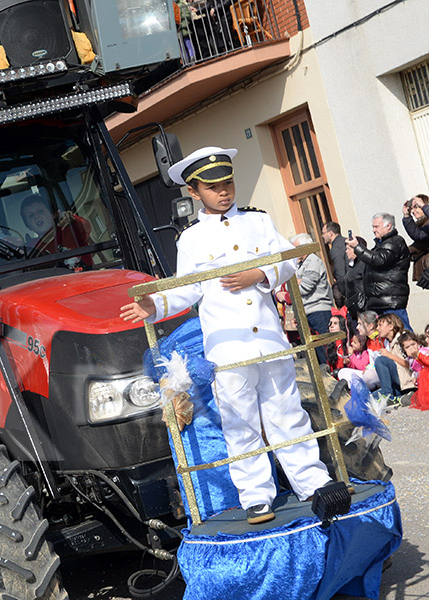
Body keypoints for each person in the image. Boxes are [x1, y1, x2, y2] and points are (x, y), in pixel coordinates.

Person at [120, 146, 334, 525]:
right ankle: (256, 498)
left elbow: (289, 255)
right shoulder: (191, 239)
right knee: (241, 422)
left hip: (269, 339)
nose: (224, 191)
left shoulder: (259, 222)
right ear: (193, 191)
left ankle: (313, 482)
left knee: (287, 412)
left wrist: (261, 274)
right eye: (213, 186)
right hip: (228, 348)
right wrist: (156, 305)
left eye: (228, 182)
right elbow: (187, 288)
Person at [346, 213, 412, 330]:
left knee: (402, 332)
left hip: (391, 300)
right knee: (385, 336)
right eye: (373, 227)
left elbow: (378, 260)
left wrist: (357, 247)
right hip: (379, 301)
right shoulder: (379, 245)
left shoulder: (395, 242)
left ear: (388, 226)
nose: (373, 230)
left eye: (376, 227)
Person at [279, 233, 333, 364]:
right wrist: (295, 282)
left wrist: (287, 294)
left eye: (295, 247)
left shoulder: (313, 261)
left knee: (325, 349)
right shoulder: (300, 264)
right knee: (315, 351)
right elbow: (289, 283)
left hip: (318, 310)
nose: (293, 252)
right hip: (307, 311)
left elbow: (305, 288)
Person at [21, 194, 93, 271]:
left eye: (40, 211)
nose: (36, 216)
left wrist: (71, 218)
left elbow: (86, 227)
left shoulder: (70, 228)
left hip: (87, 278)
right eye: (31, 215)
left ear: (53, 214)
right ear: (28, 225)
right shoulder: (33, 248)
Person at [372, 313, 415, 401]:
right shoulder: (387, 343)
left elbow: (412, 365)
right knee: (371, 397)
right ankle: (393, 395)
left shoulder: (403, 339)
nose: (377, 328)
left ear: (391, 326)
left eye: (380, 325)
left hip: (409, 381)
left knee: (380, 360)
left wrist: (389, 355)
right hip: (398, 384)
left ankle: (388, 396)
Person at [401, 194, 429, 288]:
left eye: (416, 207)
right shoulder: (424, 225)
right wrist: (406, 216)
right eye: (412, 208)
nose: (413, 211)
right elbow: (418, 235)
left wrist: (423, 206)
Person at [343, 235, 368, 332]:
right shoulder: (353, 266)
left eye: (348, 249)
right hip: (354, 309)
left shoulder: (363, 264)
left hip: (362, 308)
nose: (346, 252)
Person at [321, 221, 348, 307]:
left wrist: (343, 292)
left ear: (331, 233)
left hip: (349, 288)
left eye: (323, 233)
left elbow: (340, 271)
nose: (322, 236)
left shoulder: (336, 248)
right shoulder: (345, 241)